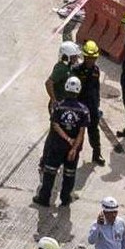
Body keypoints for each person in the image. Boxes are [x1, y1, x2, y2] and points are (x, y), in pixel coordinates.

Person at [38, 76, 92, 207]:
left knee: (50, 172)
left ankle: (44, 199)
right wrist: (73, 148)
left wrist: (66, 138)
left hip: (57, 146)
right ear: (78, 91)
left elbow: (55, 125)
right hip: (73, 149)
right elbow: (81, 131)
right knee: (69, 174)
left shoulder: (58, 107)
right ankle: (65, 199)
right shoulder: (84, 110)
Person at [81, 41, 108, 164]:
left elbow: (96, 88)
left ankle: (96, 154)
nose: (92, 60)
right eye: (89, 58)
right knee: (76, 133)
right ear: (85, 57)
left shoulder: (96, 70)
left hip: (92, 107)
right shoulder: (77, 71)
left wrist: (97, 103)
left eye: (94, 58)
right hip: (80, 107)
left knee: (94, 132)